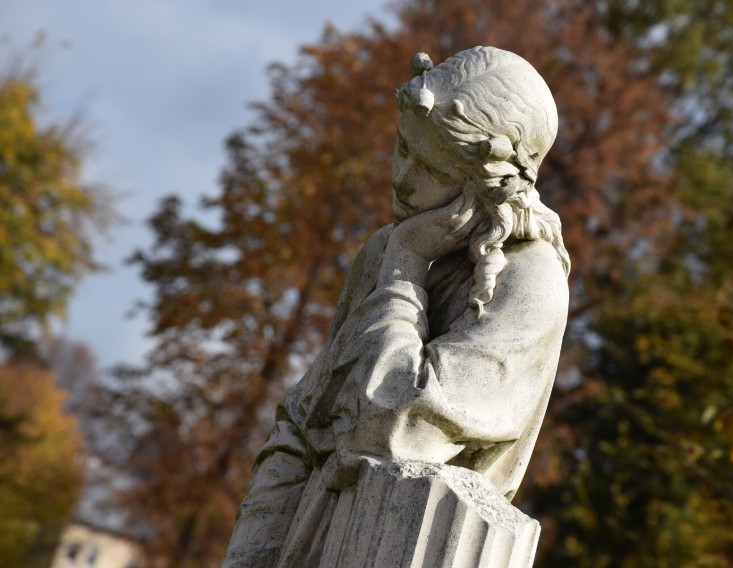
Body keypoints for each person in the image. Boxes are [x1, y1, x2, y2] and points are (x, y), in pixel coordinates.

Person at [223, 46, 570, 567]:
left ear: (488, 187)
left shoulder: (529, 280)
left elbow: (395, 428)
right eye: (403, 148)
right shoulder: (386, 248)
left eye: (431, 167)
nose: (402, 176)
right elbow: (303, 422)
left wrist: (407, 266)